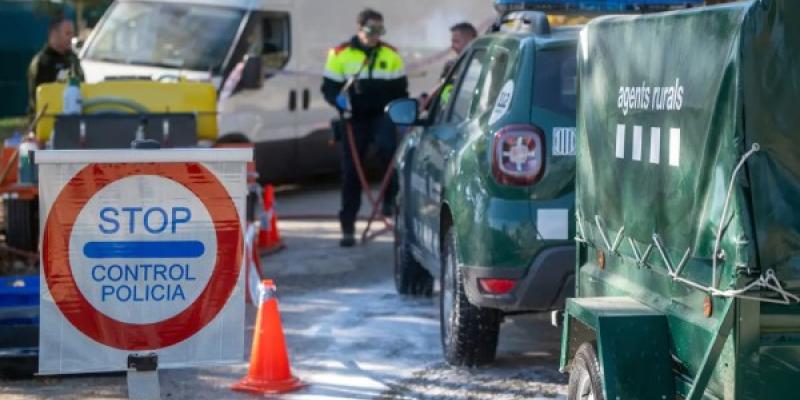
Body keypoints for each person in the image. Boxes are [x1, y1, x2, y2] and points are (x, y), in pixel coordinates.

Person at [321, 8, 408, 247]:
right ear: (359, 29)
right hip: (354, 119)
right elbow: (329, 88)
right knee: (351, 172)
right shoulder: (340, 54)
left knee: (388, 151)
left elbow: (400, 90)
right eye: (371, 30)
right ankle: (347, 226)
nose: (375, 35)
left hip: (382, 116)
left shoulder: (391, 55)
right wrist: (339, 103)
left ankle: (390, 201)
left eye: (380, 31)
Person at [27, 15, 84, 116]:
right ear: (54, 34)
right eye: (67, 33)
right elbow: (36, 101)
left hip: (73, 121)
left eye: (72, 33)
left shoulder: (73, 59)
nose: (71, 37)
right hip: (47, 120)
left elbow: (83, 85)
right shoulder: (42, 62)